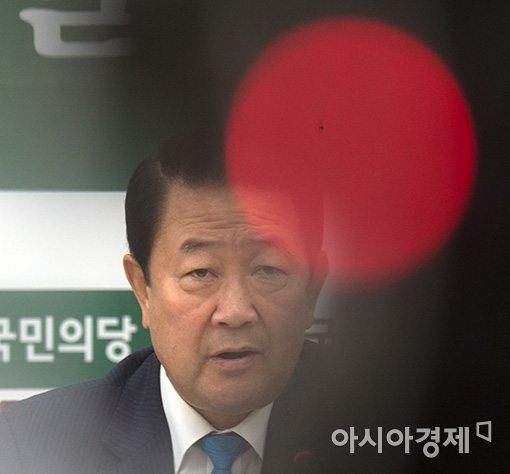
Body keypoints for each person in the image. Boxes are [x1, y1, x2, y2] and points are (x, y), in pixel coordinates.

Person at [0, 137, 340, 473]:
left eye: (267, 270)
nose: (235, 312)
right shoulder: (28, 449)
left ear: (312, 289)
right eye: (200, 272)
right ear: (142, 289)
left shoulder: (369, 432)